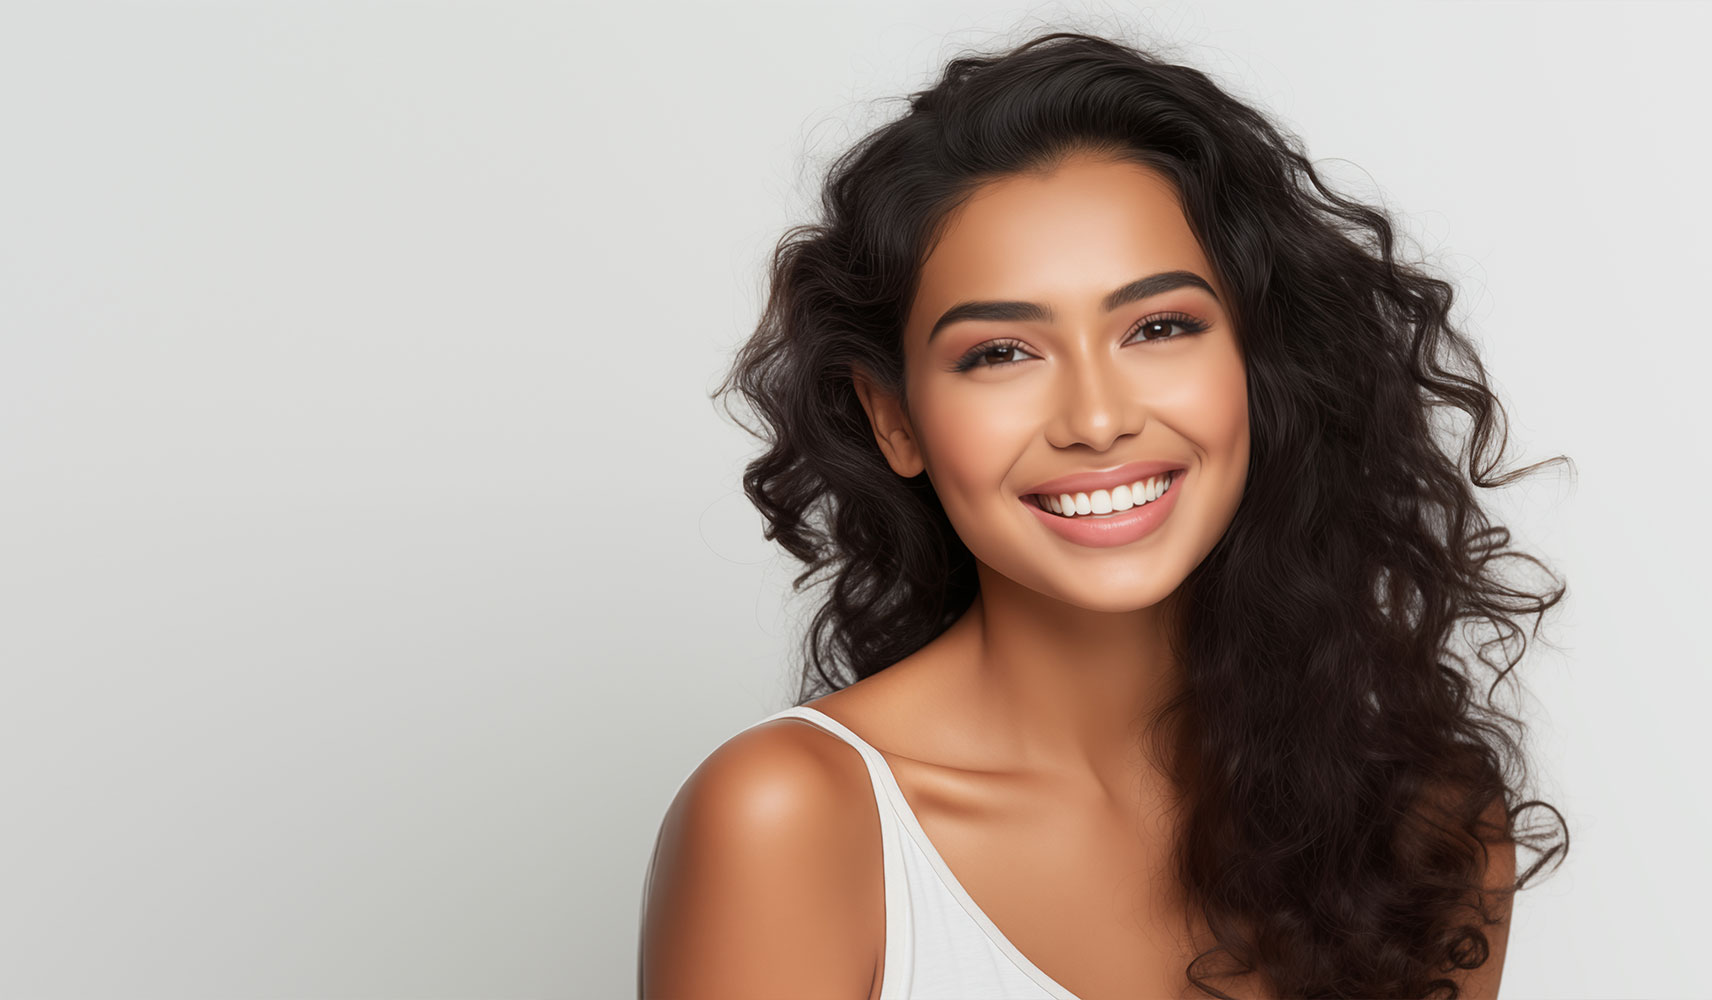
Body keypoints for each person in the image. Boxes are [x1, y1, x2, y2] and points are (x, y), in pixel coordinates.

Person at [638, 29, 1569, 1000]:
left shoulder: (1427, 828)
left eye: (1158, 327)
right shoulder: (790, 820)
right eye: (999, 352)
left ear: (1257, 367)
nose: (1095, 419)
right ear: (894, 417)